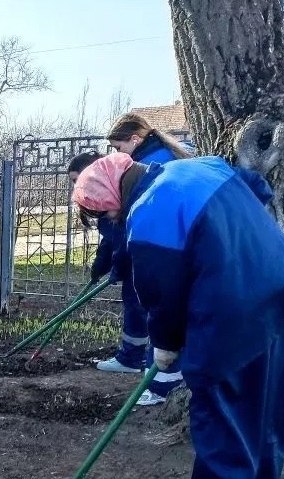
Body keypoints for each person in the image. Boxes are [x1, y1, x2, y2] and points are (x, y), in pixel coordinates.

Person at [73, 152, 284, 479]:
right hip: (275, 289)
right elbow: (258, 187)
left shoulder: (149, 211)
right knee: (267, 402)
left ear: (115, 195)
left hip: (230, 308)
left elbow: (162, 295)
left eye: (107, 214)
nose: (111, 221)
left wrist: (164, 344)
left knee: (219, 408)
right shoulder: (198, 166)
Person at [73, 114, 193, 406]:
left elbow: (134, 237)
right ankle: (137, 360)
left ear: (135, 140)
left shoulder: (150, 176)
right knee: (153, 309)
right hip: (188, 254)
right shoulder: (141, 173)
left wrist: (120, 264)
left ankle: (162, 387)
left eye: (117, 147)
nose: (115, 153)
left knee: (158, 312)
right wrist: (108, 264)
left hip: (180, 257)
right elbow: (120, 235)